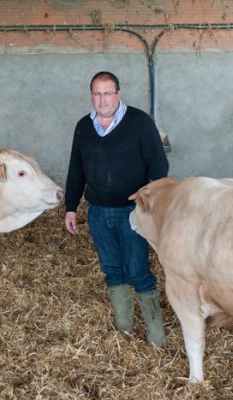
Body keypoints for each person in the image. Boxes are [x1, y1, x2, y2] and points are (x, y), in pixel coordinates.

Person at [64, 71, 169, 347]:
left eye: (107, 93)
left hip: (132, 211)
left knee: (138, 270)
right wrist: (71, 207)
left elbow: (159, 165)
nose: (102, 100)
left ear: (118, 95)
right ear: (91, 96)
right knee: (112, 269)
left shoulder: (140, 123)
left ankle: (156, 335)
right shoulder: (83, 127)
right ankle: (124, 329)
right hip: (98, 210)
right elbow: (76, 169)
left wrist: (152, 199)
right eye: (97, 94)